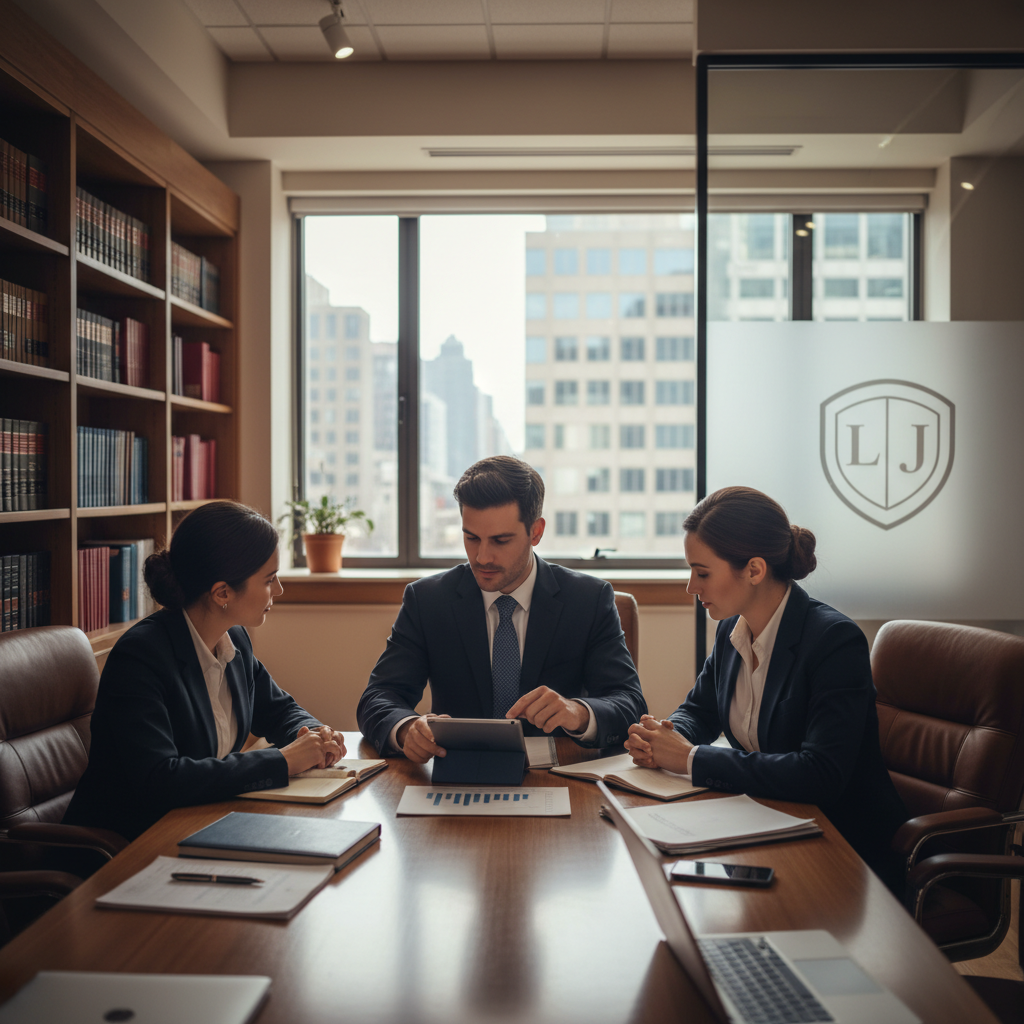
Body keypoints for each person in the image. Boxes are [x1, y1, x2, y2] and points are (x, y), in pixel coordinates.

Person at [624, 486, 907, 881]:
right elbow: (700, 710)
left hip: (842, 850)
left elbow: (820, 773)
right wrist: (665, 737)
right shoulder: (731, 631)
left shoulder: (834, 642)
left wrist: (689, 758)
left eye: (702, 572)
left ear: (754, 570)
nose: (691, 587)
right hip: (765, 826)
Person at [64, 501, 346, 840]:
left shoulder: (234, 639)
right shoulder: (140, 656)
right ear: (222, 592)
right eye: (269, 580)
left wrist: (313, 734)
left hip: (203, 825)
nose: (280, 590)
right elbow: (162, 779)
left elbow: (278, 708)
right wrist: (283, 761)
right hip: (129, 845)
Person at [357, 456, 647, 761]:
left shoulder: (588, 599)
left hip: (558, 777)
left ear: (536, 532)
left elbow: (629, 703)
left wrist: (578, 713)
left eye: (500, 540)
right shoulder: (428, 601)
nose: (482, 557)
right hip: (456, 773)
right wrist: (406, 730)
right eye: (471, 538)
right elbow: (378, 697)